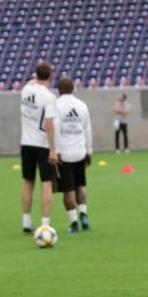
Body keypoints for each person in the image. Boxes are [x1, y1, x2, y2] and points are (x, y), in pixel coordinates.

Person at [18, 61, 58, 234]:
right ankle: (45, 224)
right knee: (46, 184)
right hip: (41, 144)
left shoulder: (26, 89)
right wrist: (53, 149)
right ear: (51, 75)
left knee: (28, 182)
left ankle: (26, 222)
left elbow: (31, 82)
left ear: (36, 74)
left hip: (26, 142)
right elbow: (49, 124)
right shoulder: (49, 97)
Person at [53, 77, 93, 233]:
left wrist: (56, 151)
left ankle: (74, 222)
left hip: (65, 154)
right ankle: (84, 214)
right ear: (73, 88)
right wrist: (89, 151)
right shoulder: (82, 105)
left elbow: (55, 129)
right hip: (80, 152)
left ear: (59, 89)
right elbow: (88, 130)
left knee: (68, 190)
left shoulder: (56, 106)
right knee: (80, 186)